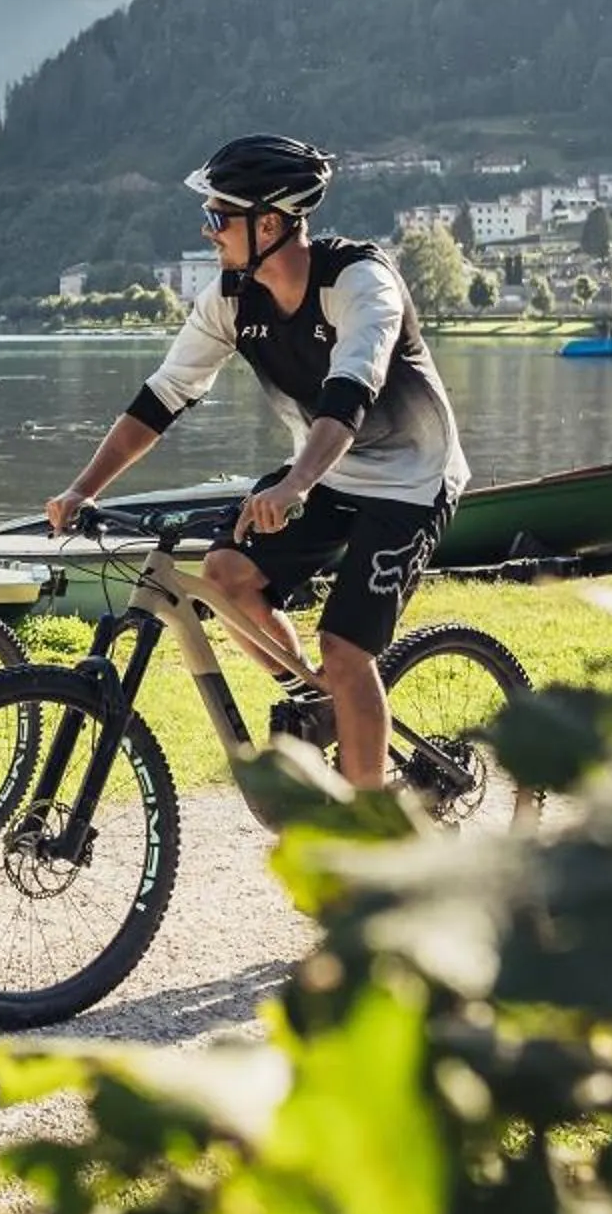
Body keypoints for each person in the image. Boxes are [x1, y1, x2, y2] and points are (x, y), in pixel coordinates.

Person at [45, 135, 469, 790]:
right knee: (226, 572)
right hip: (325, 473)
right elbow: (163, 396)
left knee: (347, 649)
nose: (208, 229)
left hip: (412, 483)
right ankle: (317, 700)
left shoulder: (360, 282)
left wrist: (296, 484)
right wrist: (81, 488)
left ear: (267, 223)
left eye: (219, 216)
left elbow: (351, 392)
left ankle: (367, 841)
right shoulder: (232, 299)